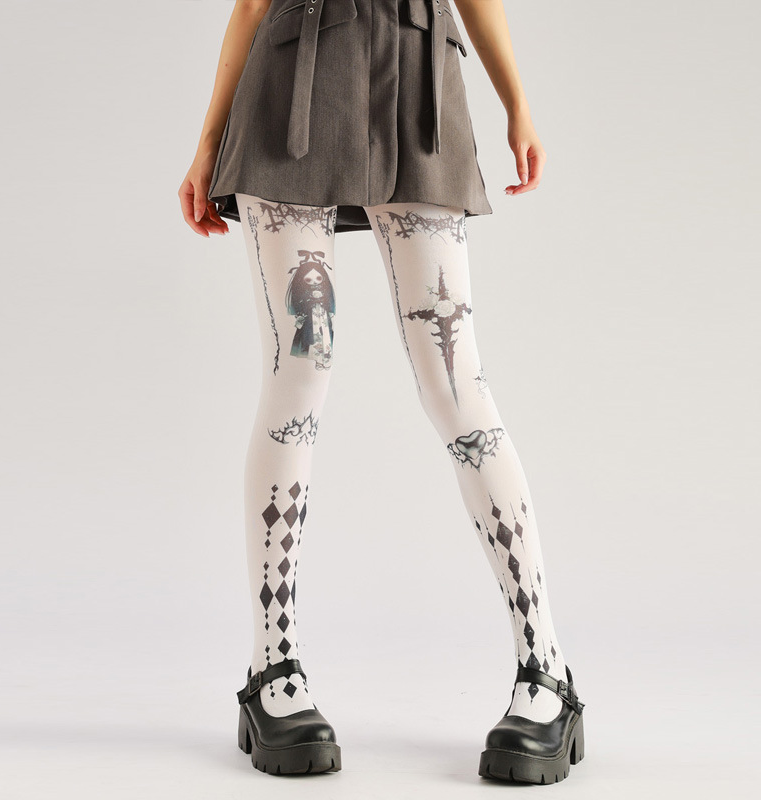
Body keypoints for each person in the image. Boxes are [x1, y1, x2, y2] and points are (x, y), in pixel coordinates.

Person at [179, 0, 585, 784]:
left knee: (456, 381)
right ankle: (272, 667)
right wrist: (208, 141)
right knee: (300, 368)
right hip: (289, 82)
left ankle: (547, 669)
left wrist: (517, 101)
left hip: (418, 76)